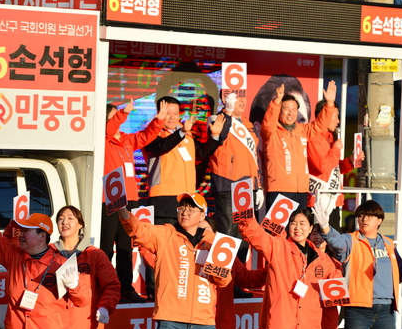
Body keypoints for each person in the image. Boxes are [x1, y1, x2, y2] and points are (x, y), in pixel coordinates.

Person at [116, 193, 230, 329]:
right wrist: (122, 210)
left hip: (203, 322)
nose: (185, 212)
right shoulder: (165, 233)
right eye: (182, 208)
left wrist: (216, 269)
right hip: (171, 321)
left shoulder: (215, 242)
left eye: (191, 209)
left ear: (202, 215)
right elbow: (137, 230)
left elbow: (224, 281)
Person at [314, 199, 402, 329]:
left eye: (368, 215)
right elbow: (335, 241)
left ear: (379, 220)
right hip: (358, 310)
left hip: (386, 310)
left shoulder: (388, 244)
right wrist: (325, 227)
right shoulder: (351, 240)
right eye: (360, 215)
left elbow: (400, 269)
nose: (363, 219)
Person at [237, 208, 340, 329]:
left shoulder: (324, 260)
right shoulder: (279, 247)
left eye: (302, 223)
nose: (297, 227)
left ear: (310, 228)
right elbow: (255, 235)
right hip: (281, 319)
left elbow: (336, 286)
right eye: (293, 223)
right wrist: (245, 214)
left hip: (308, 322)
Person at [172, 218, 268, 329]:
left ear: (216, 235)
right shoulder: (184, 257)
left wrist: (273, 267)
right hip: (196, 326)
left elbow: (248, 279)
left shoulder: (227, 257)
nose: (202, 234)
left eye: (207, 230)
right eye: (198, 230)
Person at [0, 213, 91, 329]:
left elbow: (84, 300)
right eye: (20, 230)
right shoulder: (13, 256)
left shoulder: (63, 264)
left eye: (26, 230)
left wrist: (74, 286)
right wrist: (15, 224)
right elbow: (1, 239)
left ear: (42, 236)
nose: (20, 234)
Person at [43, 206, 121, 329]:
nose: (65, 222)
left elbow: (112, 285)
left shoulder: (95, 254)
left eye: (70, 218)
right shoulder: (47, 253)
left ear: (80, 224)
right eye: (61, 218)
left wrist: (105, 307)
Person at [102, 99, 167, 303]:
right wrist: (123, 112)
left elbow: (146, 136)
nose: (118, 118)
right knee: (105, 246)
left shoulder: (127, 141)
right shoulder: (104, 139)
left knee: (125, 246)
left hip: (130, 199)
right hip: (111, 198)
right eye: (114, 115)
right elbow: (109, 128)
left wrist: (159, 120)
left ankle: (125, 289)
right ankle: (103, 287)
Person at [261, 81, 338, 211]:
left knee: (299, 229)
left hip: (301, 190)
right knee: (277, 231)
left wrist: (329, 104)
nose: (290, 113)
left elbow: (320, 124)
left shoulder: (303, 130)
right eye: (286, 109)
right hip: (279, 189)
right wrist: (277, 101)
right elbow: (268, 123)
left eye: (294, 110)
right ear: (279, 111)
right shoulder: (272, 132)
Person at [142, 96, 218, 226]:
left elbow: (203, 152)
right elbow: (162, 146)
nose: (172, 117)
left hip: (186, 198)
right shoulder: (151, 134)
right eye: (168, 113)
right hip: (163, 199)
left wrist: (215, 136)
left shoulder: (187, 135)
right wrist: (181, 132)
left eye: (175, 113)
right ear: (159, 113)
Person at [207, 92, 264, 241]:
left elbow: (254, 158)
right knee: (228, 235)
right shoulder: (216, 119)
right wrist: (228, 112)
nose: (241, 101)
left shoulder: (249, 125)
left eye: (243, 96)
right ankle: (226, 265)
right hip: (227, 184)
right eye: (236, 97)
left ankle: (241, 265)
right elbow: (217, 139)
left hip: (246, 186)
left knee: (244, 234)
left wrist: (257, 187)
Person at [306, 98, 364, 231]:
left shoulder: (330, 137)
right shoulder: (313, 136)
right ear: (324, 115)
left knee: (333, 245)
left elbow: (335, 167)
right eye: (336, 117)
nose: (338, 121)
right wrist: (336, 149)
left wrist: (351, 161)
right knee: (318, 242)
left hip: (334, 198)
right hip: (319, 200)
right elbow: (323, 166)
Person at [308, 225, 341, 329]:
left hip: (326, 324)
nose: (317, 237)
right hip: (305, 325)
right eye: (314, 233)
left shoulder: (336, 264)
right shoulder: (300, 260)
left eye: (321, 234)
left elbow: (339, 294)